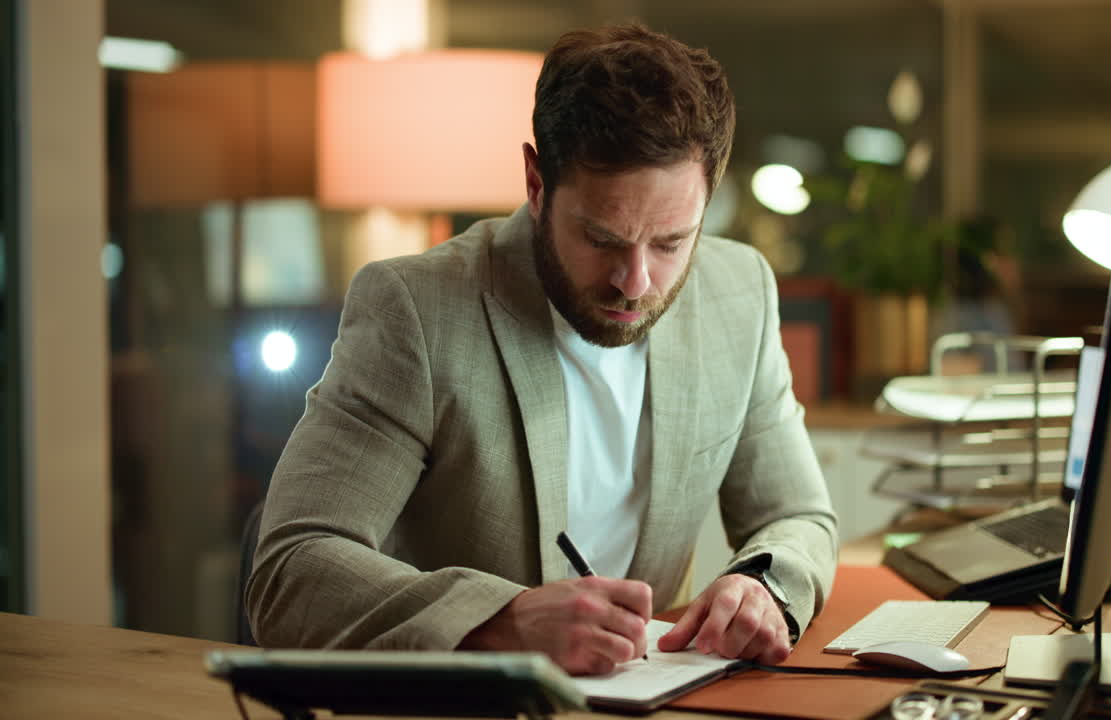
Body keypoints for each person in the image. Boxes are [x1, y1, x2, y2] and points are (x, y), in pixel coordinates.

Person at [246, 23, 837, 676]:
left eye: (671, 242)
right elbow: (290, 572)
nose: (635, 281)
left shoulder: (739, 293)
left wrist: (762, 586)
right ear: (535, 184)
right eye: (601, 238)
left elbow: (798, 516)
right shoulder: (417, 311)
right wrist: (500, 622)